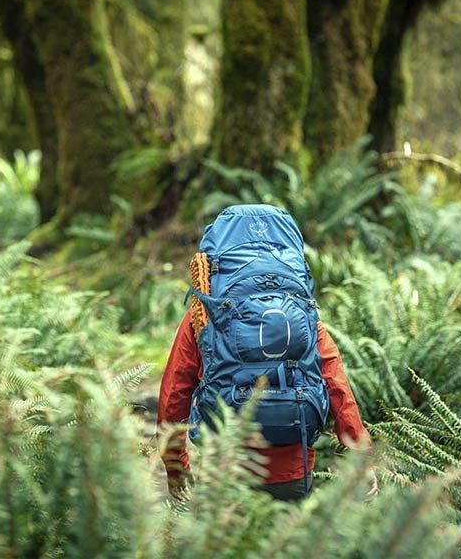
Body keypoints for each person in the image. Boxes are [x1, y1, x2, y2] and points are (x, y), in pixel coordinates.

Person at [158, 205, 376, 502]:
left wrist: (175, 466)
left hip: (225, 470)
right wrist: (360, 455)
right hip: (292, 469)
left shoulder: (203, 315)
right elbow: (335, 383)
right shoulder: (305, 315)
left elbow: (176, 392)